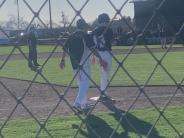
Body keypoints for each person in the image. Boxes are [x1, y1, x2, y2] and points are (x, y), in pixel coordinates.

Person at [60, 19, 107, 112]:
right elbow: (92, 48)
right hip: (84, 62)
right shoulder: (86, 35)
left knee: (81, 84)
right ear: (83, 26)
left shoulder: (71, 36)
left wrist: (62, 60)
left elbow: (65, 49)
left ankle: (83, 104)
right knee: (85, 83)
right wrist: (100, 58)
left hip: (74, 63)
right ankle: (77, 103)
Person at [92, 13, 114, 99]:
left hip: (97, 53)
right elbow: (111, 41)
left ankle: (103, 91)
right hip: (106, 53)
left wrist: (93, 56)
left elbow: (93, 43)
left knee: (103, 72)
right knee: (106, 73)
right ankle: (103, 92)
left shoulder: (95, 30)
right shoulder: (109, 29)